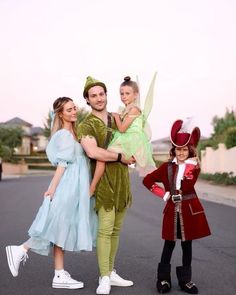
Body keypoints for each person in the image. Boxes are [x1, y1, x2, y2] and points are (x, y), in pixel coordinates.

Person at [6, 97, 97, 289]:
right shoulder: (64, 135)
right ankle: (21, 249)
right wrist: (53, 188)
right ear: (60, 114)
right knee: (55, 225)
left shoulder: (74, 133)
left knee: (60, 229)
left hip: (75, 186)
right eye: (69, 110)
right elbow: (62, 165)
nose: (73, 112)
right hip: (68, 186)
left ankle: (58, 274)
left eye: (74, 108)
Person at [78, 76, 135, 295]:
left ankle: (110, 272)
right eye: (94, 95)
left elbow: (132, 141)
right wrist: (120, 156)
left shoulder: (116, 118)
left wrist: (134, 153)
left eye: (101, 94)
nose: (99, 98)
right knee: (104, 230)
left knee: (116, 230)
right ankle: (103, 277)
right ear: (87, 100)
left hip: (122, 181)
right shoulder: (86, 125)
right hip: (103, 182)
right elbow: (93, 152)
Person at [143, 119, 211, 294]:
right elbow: (147, 180)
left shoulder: (194, 167)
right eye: (178, 149)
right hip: (172, 211)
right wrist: (164, 194)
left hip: (188, 212)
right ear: (174, 150)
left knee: (187, 246)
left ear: (190, 150)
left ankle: (186, 281)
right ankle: (163, 279)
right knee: (169, 245)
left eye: (185, 149)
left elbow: (186, 186)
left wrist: (190, 164)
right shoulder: (166, 167)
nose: (181, 152)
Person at [90, 75, 156, 196]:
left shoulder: (134, 109)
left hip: (132, 140)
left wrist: (116, 116)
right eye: (122, 94)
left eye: (127, 93)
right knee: (104, 155)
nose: (124, 97)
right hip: (126, 138)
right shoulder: (126, 109)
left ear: (135, 95)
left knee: (104, 154)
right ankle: (98, 185)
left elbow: (122, 128)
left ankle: (93, 186)